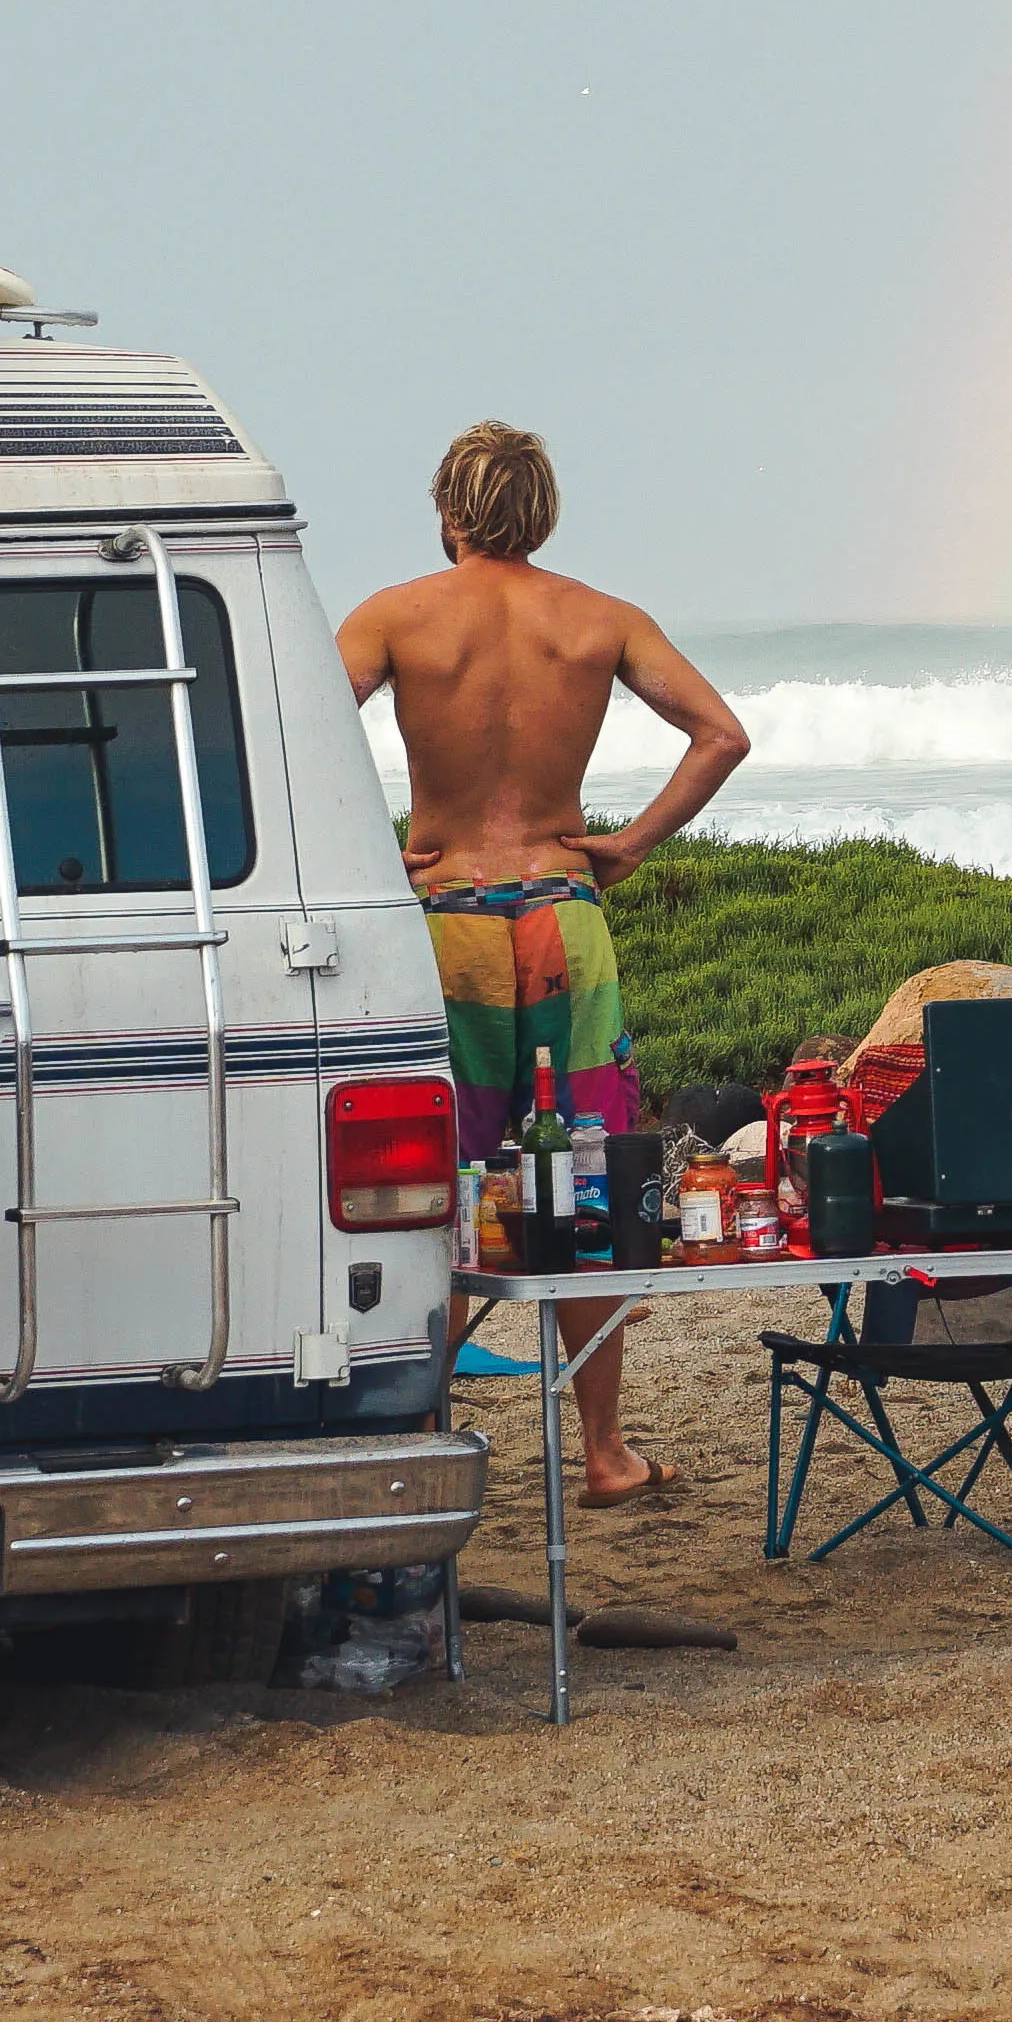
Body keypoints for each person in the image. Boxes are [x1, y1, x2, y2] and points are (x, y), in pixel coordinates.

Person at [340, 419, 749, 1505]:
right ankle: (605, 1452)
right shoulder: (600, 619)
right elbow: (721, 734)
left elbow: (295, 733)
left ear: (447, 511)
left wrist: (372, 851)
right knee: (592, 1187)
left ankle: (418, 1430)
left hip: (452, 921)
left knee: (439, 1185)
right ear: (543, 511)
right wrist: (631, 844)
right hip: (565, 924)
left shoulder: (394, 617)